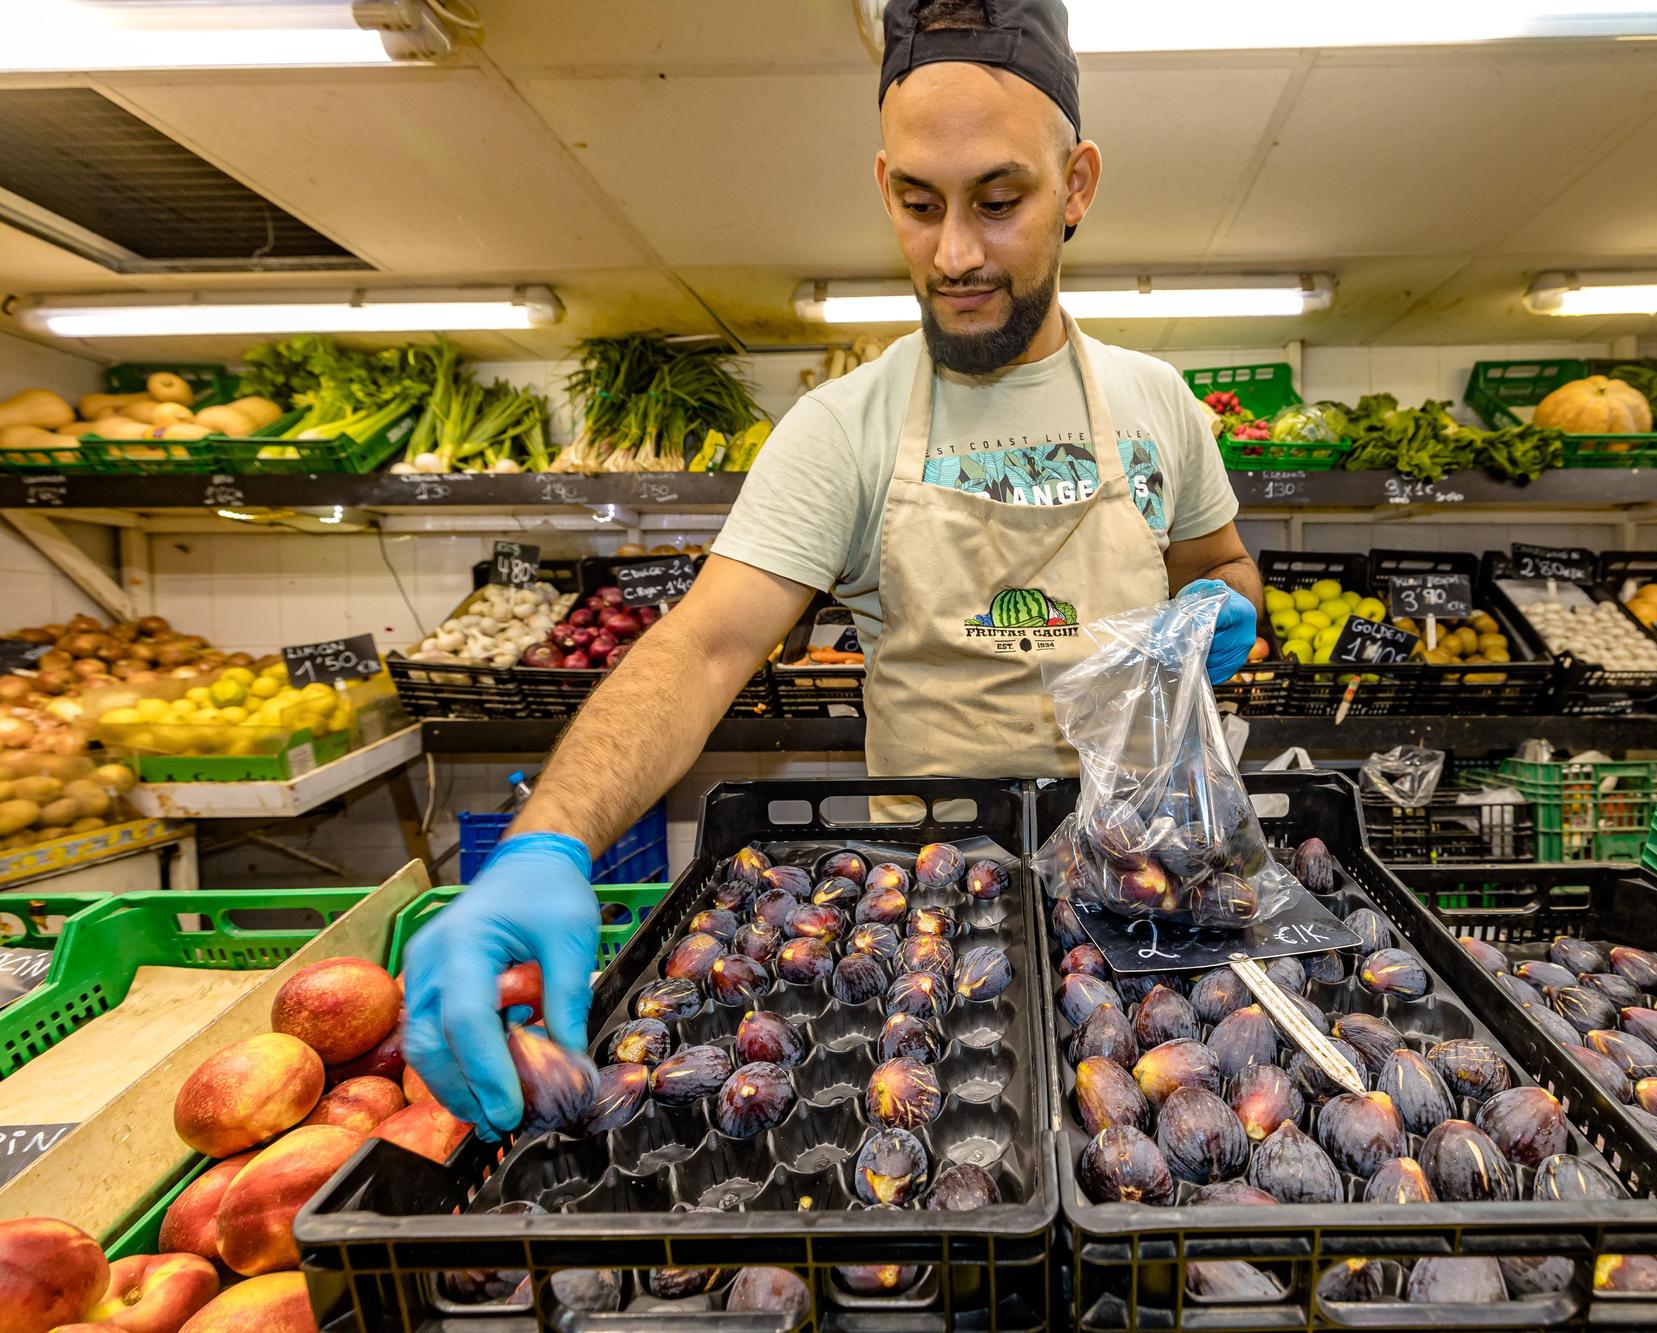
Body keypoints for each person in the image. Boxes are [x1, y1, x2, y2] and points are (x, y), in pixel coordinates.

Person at [403, 0, 1264, 1139]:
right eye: (918, 205)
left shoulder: (1156, 405)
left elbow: (1225, 564)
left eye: (998, 203)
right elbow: (703, 643)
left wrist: (1224, 608)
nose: (953, 252)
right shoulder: (840, 430)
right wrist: (549, 838)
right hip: (930, 925)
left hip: (1146, 897)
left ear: (1078, 186)